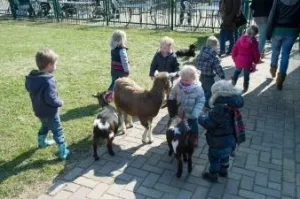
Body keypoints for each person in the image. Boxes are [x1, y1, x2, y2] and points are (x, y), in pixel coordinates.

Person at [25, 48, 69, 160]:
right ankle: (63, 151)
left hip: (39, 111)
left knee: (45, 125)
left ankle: (42, 142)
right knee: (57, 130)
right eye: (55, 63)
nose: (56, 66)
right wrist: (60, 102)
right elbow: (51, 98)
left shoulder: (32, 78)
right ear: (49, 65)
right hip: (50, 112)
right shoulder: (48, 81)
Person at [198, 80, 244, 182]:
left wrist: (200, 117)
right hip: (231, 139)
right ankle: (223, 171)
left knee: (214, 157)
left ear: (217, 94)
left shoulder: (220, 109)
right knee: (225, 156)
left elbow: (209, 124)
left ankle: (213, 175)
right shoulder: (232, 104)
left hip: (218, 141)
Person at [266, 0, 300, 90]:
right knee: (285, 55)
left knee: (275, 51)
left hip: (277, 30)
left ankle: (273, 69)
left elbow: (272, 16)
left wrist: (268, 33)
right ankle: (281, 78)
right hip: (292, 31)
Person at [168, 65, 205, 147]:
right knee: (178, 124)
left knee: (193, 124)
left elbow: (201, 101)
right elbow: (173, 93)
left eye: (187, 80)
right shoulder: (178, 85)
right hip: (180, 111)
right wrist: (171, 99)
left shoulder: (198, 89)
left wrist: (195, 112)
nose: (184, 81)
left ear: (194, 79)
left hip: (192, 112)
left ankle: (194, 137)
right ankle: (179, 135)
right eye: (182, 79)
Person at [196, 36, 225, 108]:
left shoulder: (201, 52)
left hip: (199, 75)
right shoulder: (214, 56)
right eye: (217, 46)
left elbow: (197, 60)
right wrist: (222, 76)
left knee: (201, 89)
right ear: (214, 46)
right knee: (210, 91)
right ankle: (208, 104)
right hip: (209, 78)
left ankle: (199, 101)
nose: (217, 48)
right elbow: (217, 68)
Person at [231, 25, 260, 93]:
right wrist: (256, 61)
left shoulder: (240, 38)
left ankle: (232, 84)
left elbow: (234, 49)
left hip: (239, 59)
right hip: (248, 61)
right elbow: (255, 52)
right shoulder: (254, 41)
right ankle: (245, 87)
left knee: (237, 72)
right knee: (246, 75)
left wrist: (234, 57)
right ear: (255, 34)